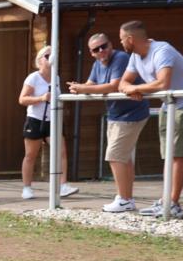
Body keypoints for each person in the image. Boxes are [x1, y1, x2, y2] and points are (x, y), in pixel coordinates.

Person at [117, 20, 183, 218]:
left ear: (130, 39)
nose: (121, 43)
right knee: (168, 154)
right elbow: (124, 82)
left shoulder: (162, 50)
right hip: (169, 103)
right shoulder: (135, 56)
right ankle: (166, 199)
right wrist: (131, 88)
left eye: (122, 39)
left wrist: (136, 89)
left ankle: (173, 203)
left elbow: (163, 83)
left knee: (178, 154)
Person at [68, 33, 149, 212]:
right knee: (123, 158)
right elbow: (90, 83)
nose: (101, 51)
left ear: (110, 44)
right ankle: (127, 199)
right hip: (115, 114)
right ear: (91, 53)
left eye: (104, 46)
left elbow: (113, 85)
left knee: (114, 155)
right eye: (96, 49)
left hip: (132, 113)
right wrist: (77, 87)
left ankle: (124, 199)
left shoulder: (120, 58)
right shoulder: (98, 63)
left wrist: (83, 88)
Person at [18, 46, 79, 200]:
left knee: (61, 153)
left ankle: (63, 185)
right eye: (47, 55)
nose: (51, 58)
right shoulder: (33, 78)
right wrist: (41, 98)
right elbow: (22, 99)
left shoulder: (56, 77)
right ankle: (27, 187)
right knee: (31, 155)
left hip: (53, 120)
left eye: (53, 55)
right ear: (39, 61)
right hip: (36, 120)